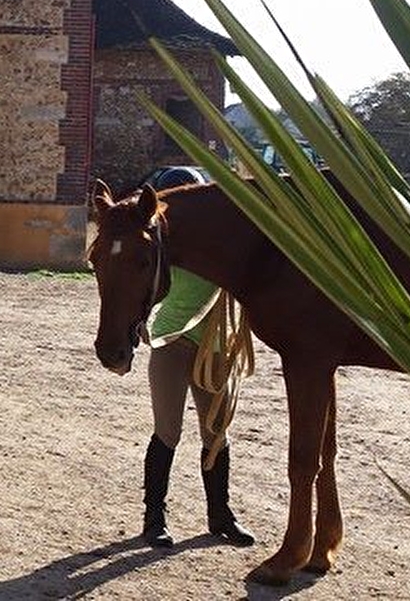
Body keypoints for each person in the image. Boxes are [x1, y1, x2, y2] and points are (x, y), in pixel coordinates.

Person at [139, 166, 255, 549]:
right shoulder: (161, 248)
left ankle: (220, 515)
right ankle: (154, 519)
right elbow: (142, 285)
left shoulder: (220, 245)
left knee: (216, 432)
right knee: (167, 431)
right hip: (172, 341)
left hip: (216, 345)